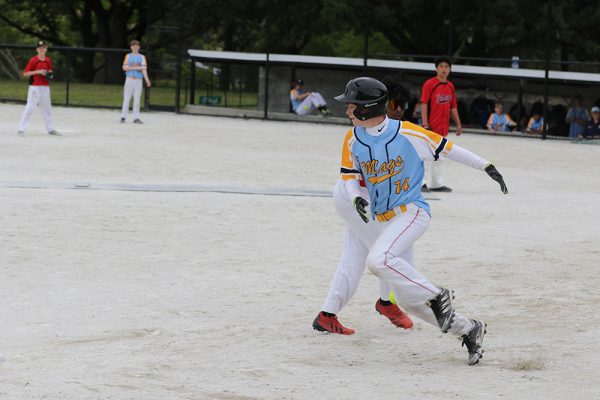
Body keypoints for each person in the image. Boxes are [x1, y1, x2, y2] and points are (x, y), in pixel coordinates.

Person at [330, 77, 508, 365]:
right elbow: (348, 177)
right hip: (386, 222)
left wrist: (485, 166)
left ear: (366, 109)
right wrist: (355, 198)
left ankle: (439, 294)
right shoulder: (352, 138)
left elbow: (449, 149)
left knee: (378, 260)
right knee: (411, 301)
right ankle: (470, 328)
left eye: (352, 106)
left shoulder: (408, 134)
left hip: (411, 213)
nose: (347, 111)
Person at [313, 78, 415, 336]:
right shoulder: (364, 133)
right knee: (392, 252)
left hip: (362, 199)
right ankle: (387, 302)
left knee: (355, 257)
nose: (400, 110)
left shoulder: (397, 131)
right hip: (357, 198)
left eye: (403, 105)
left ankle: (327, 314)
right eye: (396, 104)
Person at [420, 56, 463, 193]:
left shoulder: (450, 86)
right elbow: (424, 104)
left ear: (450, 69)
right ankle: (421, 183)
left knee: (439, 156)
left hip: (443, 127)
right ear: (436, 68)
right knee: (426, 156)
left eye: (446, 66)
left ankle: (436, 184)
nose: (444, 69)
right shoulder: (430, 84)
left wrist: (458, 124)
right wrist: (425, 123)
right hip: (431, 127)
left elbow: (453, 106)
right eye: (441, 66)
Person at [17, 40, 59, 136]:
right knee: (30, 107)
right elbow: (25, 73)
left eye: (43, 48)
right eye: (40, 48)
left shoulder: (48, 60)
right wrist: (38, 71)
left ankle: (50, 129)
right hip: (34, 87)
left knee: (47, 108)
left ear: (46, 49)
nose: (41, 49)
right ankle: (21, 129)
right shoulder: (33, 60)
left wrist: (49, 74)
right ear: (37, 49)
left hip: (45, 87)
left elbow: (50, 71)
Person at [120, 40, 152, 124]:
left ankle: (136, 117)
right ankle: (123, 116)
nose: (135, 47)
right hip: (129, 79)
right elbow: (124, 68)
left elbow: (143, 69)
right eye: (133, 46)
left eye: (137, 46)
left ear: (139, 47)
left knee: (137, 99)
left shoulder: (142, 57)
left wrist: (147, 80)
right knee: (127, 98)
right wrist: (137, 68)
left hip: (138, 80)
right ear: (131, 47)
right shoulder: (128, 56)